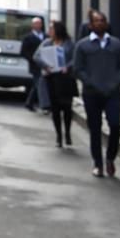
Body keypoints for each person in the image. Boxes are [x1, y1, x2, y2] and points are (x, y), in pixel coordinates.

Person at [72, 10, 120, 177]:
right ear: (90, 25)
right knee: (95, 129)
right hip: (91, 94)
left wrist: (115, 83)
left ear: (106, 23)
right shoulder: (82, 45)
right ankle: (98, 164)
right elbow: (78, 69)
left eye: (102, 20)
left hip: (112, 93)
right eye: (96, 21)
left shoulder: (116, 44)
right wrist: (90, 83)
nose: (100, 23)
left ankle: (110, 158)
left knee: (115, 126)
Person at [35, 20, 77, 148]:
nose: (50, 31)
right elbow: (36, 56)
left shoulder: (69, 44)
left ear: (58, 30)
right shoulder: (47, 43)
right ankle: (59, 135)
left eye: (52, 29)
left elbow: (76, 59)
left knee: (67, 108)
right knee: (55, 109)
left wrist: (67, 67)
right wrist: (45, 66)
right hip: (52, 79)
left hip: (65, 79)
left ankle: (68, 133)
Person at [21, 16, 46, 111]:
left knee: (39, 84)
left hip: (44, 64)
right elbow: (23, 52)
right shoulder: (28, 37)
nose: (38, 25)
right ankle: (31, 102)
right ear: (33, 25)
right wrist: (32, 59)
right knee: (38, 83)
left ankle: (33, 102)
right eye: (36, 23)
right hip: (34, 65)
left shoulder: (45, 36)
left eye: (39, 23)